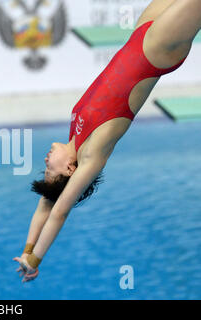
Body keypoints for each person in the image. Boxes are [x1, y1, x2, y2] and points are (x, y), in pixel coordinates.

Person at [13, 0, 201, 283]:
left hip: (142, 33)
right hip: (157, 49)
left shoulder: (75, 133)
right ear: (69, 170)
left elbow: (45, 205)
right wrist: (36, 260)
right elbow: (59, 209)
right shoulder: (92, 153)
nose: (45, 161)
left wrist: (27, 250)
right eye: (49, 169)